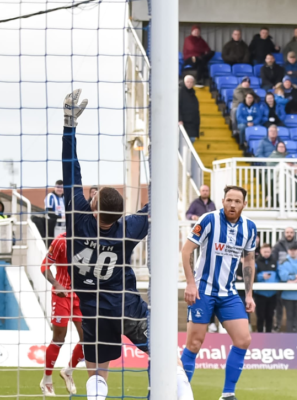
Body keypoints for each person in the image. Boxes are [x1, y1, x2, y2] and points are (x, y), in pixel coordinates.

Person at [62, 90, 193, 400]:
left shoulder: (77, 218)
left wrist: (69, 126)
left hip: (94, 312)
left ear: (93, 207)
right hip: (128, 306)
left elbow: (71, 171)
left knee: (98, 371)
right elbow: (160, 201)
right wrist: (158, 150)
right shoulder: (128, 229)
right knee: (166, 357)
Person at [181, 185, 257, 400]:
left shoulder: (250, 227)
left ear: (244, 204)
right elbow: (186, 250)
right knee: (194, 344)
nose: (232, 205)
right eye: (229, 200)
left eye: (237, 201)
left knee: (243, 339)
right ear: (223, 201)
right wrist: (190, 283)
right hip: (202, 291)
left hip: (229, 293)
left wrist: (249, 294)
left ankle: (227, 394)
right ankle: (181, 392)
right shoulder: (207, 220)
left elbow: (249, 260)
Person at [39, 233, 84, 396]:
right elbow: (44, 266)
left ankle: (68, 371)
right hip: (62, 296)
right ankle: (47, 379)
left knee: (89, 339)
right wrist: (57, 284)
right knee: (59, 338)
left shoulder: (93, 237)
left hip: (83, 296)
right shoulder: (60, 241)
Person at [272, 227, 297, 332]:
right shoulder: (278, 246)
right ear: (284, 233)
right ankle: (278, 325)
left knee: (296, 309)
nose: (289, 234)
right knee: (279, 306)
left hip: (296, 282)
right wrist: (288, 276)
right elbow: (274, 261)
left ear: (294, 233)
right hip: (281, 279)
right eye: (287, 232)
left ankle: (295, 327)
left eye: (291, 232)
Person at [254, 244, 278, 333]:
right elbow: (253, 276)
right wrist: (261, 277)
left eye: (268, 251)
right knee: (260, 316)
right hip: (260, 294)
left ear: (271, 251)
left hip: (272, 294)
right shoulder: (256, 262)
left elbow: (278, 275)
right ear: (260, 251)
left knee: (270, 316)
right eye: (264, 252)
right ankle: (260, 333)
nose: (266, 253)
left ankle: (269, 334)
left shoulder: (275, 262)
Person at [179, 75, 200, 143]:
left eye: (191, 82)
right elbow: (178, 106)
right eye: (188, 82)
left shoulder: (193, 94)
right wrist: (179, 119)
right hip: (184, 123)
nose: (189, 84)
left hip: (192, 124)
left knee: (191, 142)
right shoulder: (180, 91)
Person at [45, 180, 65, 247]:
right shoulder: (50, 196)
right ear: (55, 187)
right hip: (53, 225)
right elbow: (49, 212)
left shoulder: (65, 198)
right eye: (58, 187)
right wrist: (60, 217)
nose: (59, 189)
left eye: (61, 187)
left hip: (64, 225)